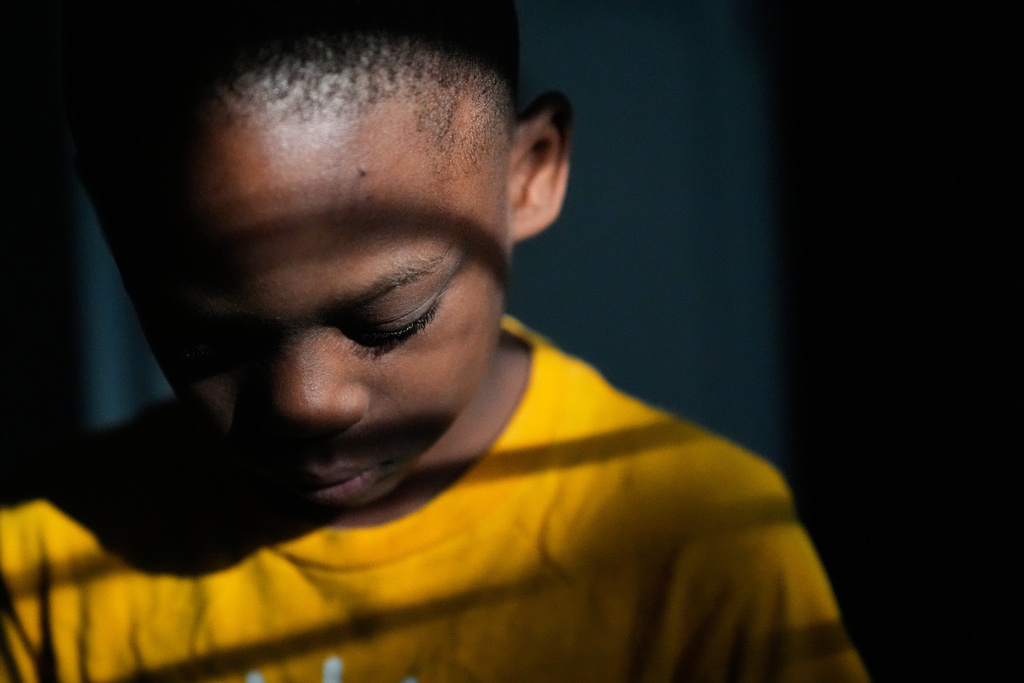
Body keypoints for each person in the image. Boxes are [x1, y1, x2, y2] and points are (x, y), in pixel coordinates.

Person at [0, 1, 869, 681]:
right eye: (205, 341)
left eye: (388, 320)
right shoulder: (44, 559)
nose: (308, 401)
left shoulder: (701, 545)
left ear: (529, 173)